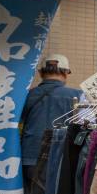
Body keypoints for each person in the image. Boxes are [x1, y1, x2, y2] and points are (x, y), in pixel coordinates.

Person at [20, 54, 84, 186]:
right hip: (61, 157)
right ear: (66, 72)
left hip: (30, 156)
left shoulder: (26, 95)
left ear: (40, 73)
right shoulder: (78, 96)